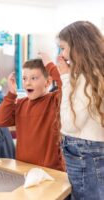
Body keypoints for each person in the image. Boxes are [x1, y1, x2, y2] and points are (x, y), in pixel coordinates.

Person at [58, 21, 104, 200]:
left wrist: (65, 78)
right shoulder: (97, 74)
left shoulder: (87, 78)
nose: (62, 54)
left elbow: (69, 125)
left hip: (85, 152)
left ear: (77, 46)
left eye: (63, 48)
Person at [0, 54, 65, 171]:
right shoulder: (20, 104)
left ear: (48, 82)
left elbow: (66, 85)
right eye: (24, 78)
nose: (27, 83)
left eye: (34, 78)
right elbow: (1, 121)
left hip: (52, 171)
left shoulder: (55, 100)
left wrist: (50, 66)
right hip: (23, 169)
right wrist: (12, 94)